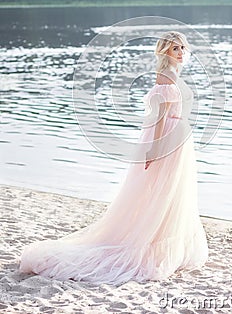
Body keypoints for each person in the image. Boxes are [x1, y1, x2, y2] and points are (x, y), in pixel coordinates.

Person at [19, 31, 209, 286]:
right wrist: (155, 149)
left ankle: (162, 243)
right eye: (176, 48)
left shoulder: (172, 74)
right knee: (161, 192)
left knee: (170, 193)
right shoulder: (166, 76)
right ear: (165, 51)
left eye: (182, 48)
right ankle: (152, 243)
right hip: (168, 139)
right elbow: (160, 117)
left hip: (176, 140)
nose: (181, 52)